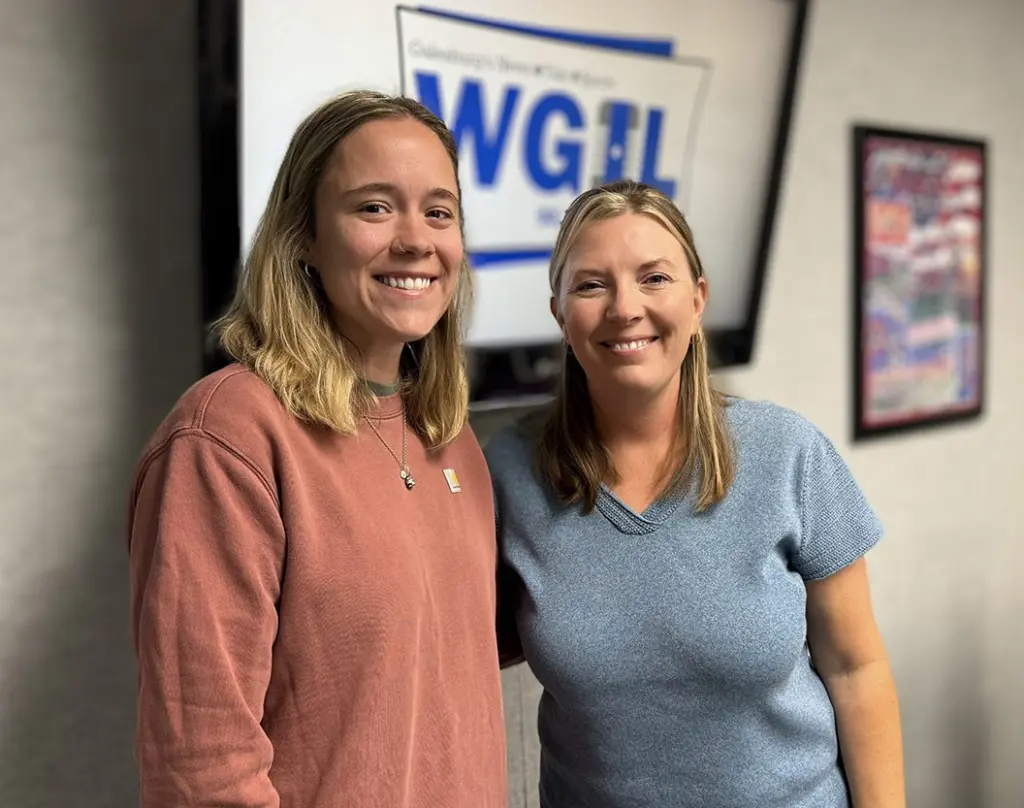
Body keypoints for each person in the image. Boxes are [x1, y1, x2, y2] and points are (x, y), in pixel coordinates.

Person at [127, 90, 507, 808]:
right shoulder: (226, 438)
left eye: (439, 210)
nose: (415, 240)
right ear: (303, 235)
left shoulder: (444, 430)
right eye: (373, 207)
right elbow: (202, 771)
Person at [487, 180, 906, 808]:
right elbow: (453, 644)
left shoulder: (788, 453)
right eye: (591, 284)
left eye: (654, 278)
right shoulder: (506, 475)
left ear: (698, 298)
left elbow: (856, 670)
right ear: (559, 312)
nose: (625, 307)